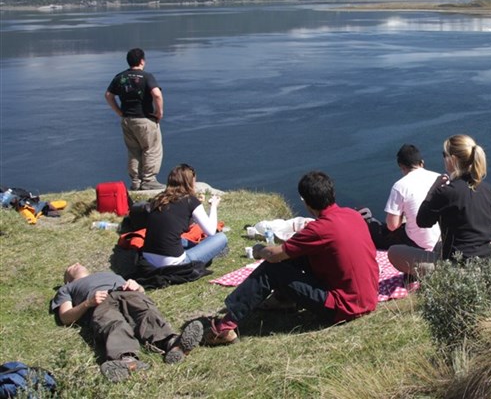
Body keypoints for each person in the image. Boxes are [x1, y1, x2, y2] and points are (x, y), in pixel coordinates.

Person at [203, 171, 378, 345]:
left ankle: (224, 327)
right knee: (297, 255)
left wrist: (259, 249)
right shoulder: (353, 215)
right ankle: (282, 300)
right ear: (331, 193)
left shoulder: (319, 229)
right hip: (369, 298)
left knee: (273, 269)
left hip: (344, 307)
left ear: (306, 202)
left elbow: (273, 255)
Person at [50, 263, 203, 382]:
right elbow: (65, 317)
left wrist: (138, 287)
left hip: (126, 292)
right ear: (67, 279)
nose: (76, 263)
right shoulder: (67, 289)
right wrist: (88, 303)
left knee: (146, 311)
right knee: (113, 323)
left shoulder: (108, 274)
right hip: (99, 304)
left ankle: (173, 344)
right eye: (71, 267)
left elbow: (142, 291)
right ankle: (126, 360)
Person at [389, 134, 491, 276]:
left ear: (452, 159)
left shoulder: (446, 192)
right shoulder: (486, 188)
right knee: (438, 245)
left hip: (458, 270)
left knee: (394, 252)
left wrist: (433, 189)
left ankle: (430, 280)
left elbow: (422, 221)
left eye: (444, 154)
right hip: (487, 261)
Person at [139, 164, 227, 269]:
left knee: (181, 239)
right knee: (221, 238)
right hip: (174, 263)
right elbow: (211, 231)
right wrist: (213, 206)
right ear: (189, 182)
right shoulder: (190, 200)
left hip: (148, 258)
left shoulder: (159, 199)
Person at [105, 48, 165, 191]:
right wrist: (159, 112)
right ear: (142, 61)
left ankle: (136, 181)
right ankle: (149, 180)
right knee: (151, 149)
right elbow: (157, 94)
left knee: (133, 150)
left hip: (127, 119)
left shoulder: (120, 77)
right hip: (144, 119)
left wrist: (119, 111)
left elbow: (108, 95)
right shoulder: (146, 77)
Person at [367, 144, 441, 252]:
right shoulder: (440, 178)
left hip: (419, 244)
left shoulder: (400, 186)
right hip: (442, 240)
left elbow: (392, 225)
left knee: (376, 230)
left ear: (401, 167)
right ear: (422, 163)